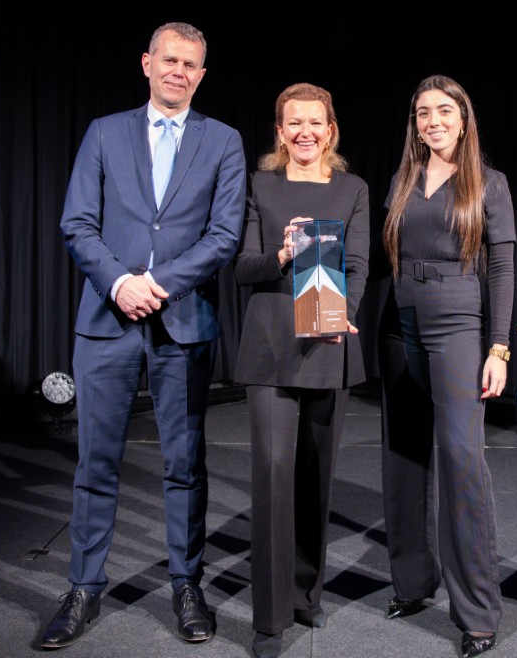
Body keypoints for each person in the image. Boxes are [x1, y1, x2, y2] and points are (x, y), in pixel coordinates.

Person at [46, 21, 247, 650]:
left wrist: (157, 283)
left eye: (190, 64)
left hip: (183, 322)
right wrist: (119, 283)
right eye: (169, 60)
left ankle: (187, 585)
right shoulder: (104, 132)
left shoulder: (224, 141)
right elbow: (77, 222)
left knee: (184, 464)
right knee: (96, 461)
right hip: (107, 320)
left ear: (201, 75)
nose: (178, 71)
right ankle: (83, 588)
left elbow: (224, 235)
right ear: (146, 63)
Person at [377, 75, 514, 658]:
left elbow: (502, 269)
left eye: (443, 111)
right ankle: (412, 583)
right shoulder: (403, 178)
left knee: (461, 459)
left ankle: (477, 613)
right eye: (422, 113)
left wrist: (498, 347)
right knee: (403, 456)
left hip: (457, 323)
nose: (432, 121)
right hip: (397, 322)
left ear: (463, 118)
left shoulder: (490, 182)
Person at [233, 83, 370, 658]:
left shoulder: (353, 189)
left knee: (316, 478)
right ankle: (270, 621)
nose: (305, 132)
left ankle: (305, 594)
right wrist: (283, 255)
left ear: (330, 129)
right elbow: (242, 267)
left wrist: (344, 314)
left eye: (316, 122)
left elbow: (358, 265)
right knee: (272, 474)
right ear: (280, 131)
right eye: (294, 123)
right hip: (270, 349)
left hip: (327, 345)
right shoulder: (259, 185)